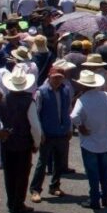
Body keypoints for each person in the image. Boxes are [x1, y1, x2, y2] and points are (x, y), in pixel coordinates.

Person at [0, 66, 40, 213]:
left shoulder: (2, 100)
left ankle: (11, 202)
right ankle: (18, 203)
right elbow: (34, 126)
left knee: (9, 174)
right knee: (22, 174)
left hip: (6, 142)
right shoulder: (29, 101)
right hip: (23, 143)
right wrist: (36, 143)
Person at [71, 70, 107, 210]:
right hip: (105, 140)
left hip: (89, 142)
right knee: (104, 172)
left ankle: (94, 199)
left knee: (93, 173)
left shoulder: (82, 100)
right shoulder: (106, 96)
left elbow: (74, 116)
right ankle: (106, 197)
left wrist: (80, 126)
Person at [30, 66, 72, 202]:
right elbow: (36, 114)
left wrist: (70, 128)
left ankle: (55, 186)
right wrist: (40, 133)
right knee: (42, 163)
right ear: (49, 76)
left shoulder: (65, 90)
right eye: (55, 77)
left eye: (60, 77)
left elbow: (68, 110)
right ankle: (35, 190)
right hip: (47, 133)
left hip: (62, 132)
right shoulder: (41, 92)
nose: (58, 80)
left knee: (60, 162)